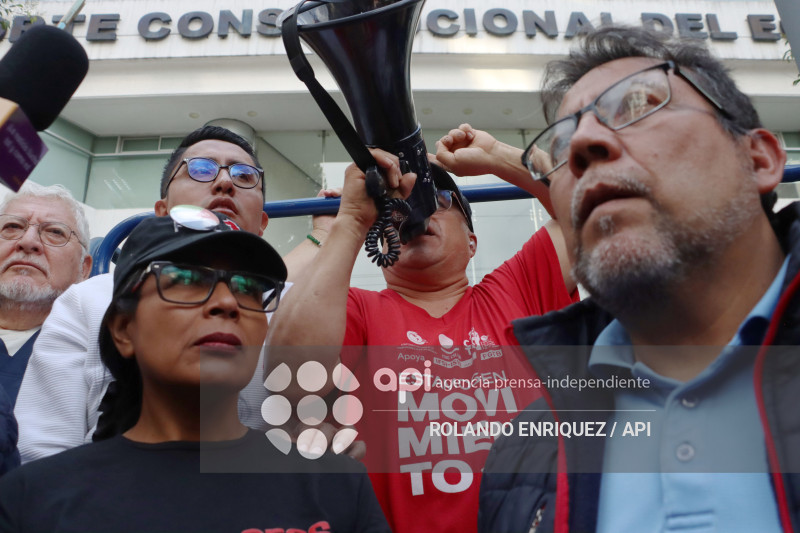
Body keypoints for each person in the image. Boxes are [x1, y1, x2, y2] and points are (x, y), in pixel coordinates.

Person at [478, 25, 795, 532]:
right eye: (562, 145)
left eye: (638, 105)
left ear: (758, 159)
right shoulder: (523, 455)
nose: (582, 144)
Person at [0, 210, 390, 533]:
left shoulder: (336, 484)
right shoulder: (32, 499)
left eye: (249, 287)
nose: (226, 302)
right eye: (186, 279)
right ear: (123, 330)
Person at [266, 135, 579, 532]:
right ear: (380, 246)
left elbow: (590, 216)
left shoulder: (516, 286)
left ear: (472, 243)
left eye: (438, 199)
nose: (415, 210)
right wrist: (347, 224)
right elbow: (288, 377)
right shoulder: (358, 309)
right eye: (395, 209)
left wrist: (498, 158)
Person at [14, 125, 328, 462]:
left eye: (244, 176)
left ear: (263, 223)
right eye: (200, 169)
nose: (224, 183)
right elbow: (41, 453)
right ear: (161, 211)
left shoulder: (297, 309)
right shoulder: (89, 301)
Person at [0, 182, 91, 405]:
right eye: (12, 227)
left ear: (84, 269)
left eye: (54, 232)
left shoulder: (99, 357)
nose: (28, 242)